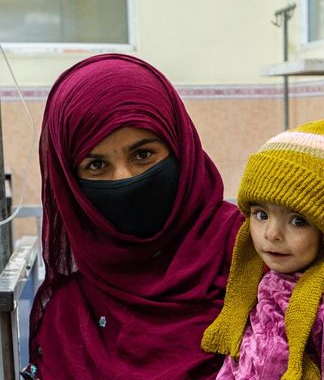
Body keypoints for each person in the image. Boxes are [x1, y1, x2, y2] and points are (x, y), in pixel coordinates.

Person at [30, 54, 242, 379]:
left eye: (143, 154)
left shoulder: (250, 251)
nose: (125, 179)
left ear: (180, 148)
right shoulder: (68, 315)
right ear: (70, 183)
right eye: (96, 165)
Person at [201, 119, 324, 380]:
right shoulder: (270, 282)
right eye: (261, 214)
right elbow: (243, 361)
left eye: (298, 221)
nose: (271, 233)